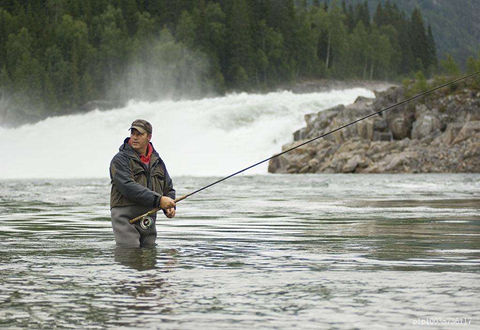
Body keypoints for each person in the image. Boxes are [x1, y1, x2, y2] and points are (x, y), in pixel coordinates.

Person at [110, 119, 176, 247]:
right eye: (133, 134)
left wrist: (170, 206)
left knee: (149, 254)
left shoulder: (157, 162)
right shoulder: (120, 160)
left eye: (139, 134)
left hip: (148, 216)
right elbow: (127, 187)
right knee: (130, 251)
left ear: (149, 137)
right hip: (125, 216)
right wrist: (159, 200)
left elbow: (168, 188)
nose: (134, 138)